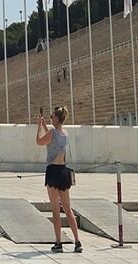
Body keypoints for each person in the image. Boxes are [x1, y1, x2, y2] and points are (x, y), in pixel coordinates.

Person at [36, 106, 82, 253]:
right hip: (64, 172)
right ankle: (77, 242)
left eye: (52, 116)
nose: (51, 118)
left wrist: (39, 127)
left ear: (56, 118)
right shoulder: (65, 134)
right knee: (68, 210)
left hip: (53, 171)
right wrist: (44, 125)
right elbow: (52, 136)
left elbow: (40, 141)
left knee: (56, 210)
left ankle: (58, 242)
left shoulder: (52, 133)